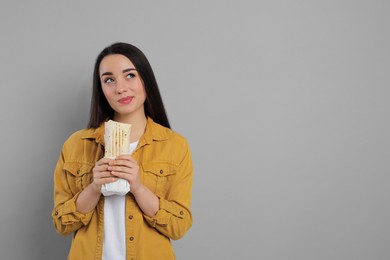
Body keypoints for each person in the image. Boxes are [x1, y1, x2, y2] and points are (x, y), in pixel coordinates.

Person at [52, 42, 193, 260]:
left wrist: (137, 187)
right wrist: (94, 187)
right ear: (101, 89)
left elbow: (179, 226)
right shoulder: (76, 144)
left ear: (146, 79)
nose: (120, 88)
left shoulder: (175, 146)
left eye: (130, 75)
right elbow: (61, 224)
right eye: (109, 80)